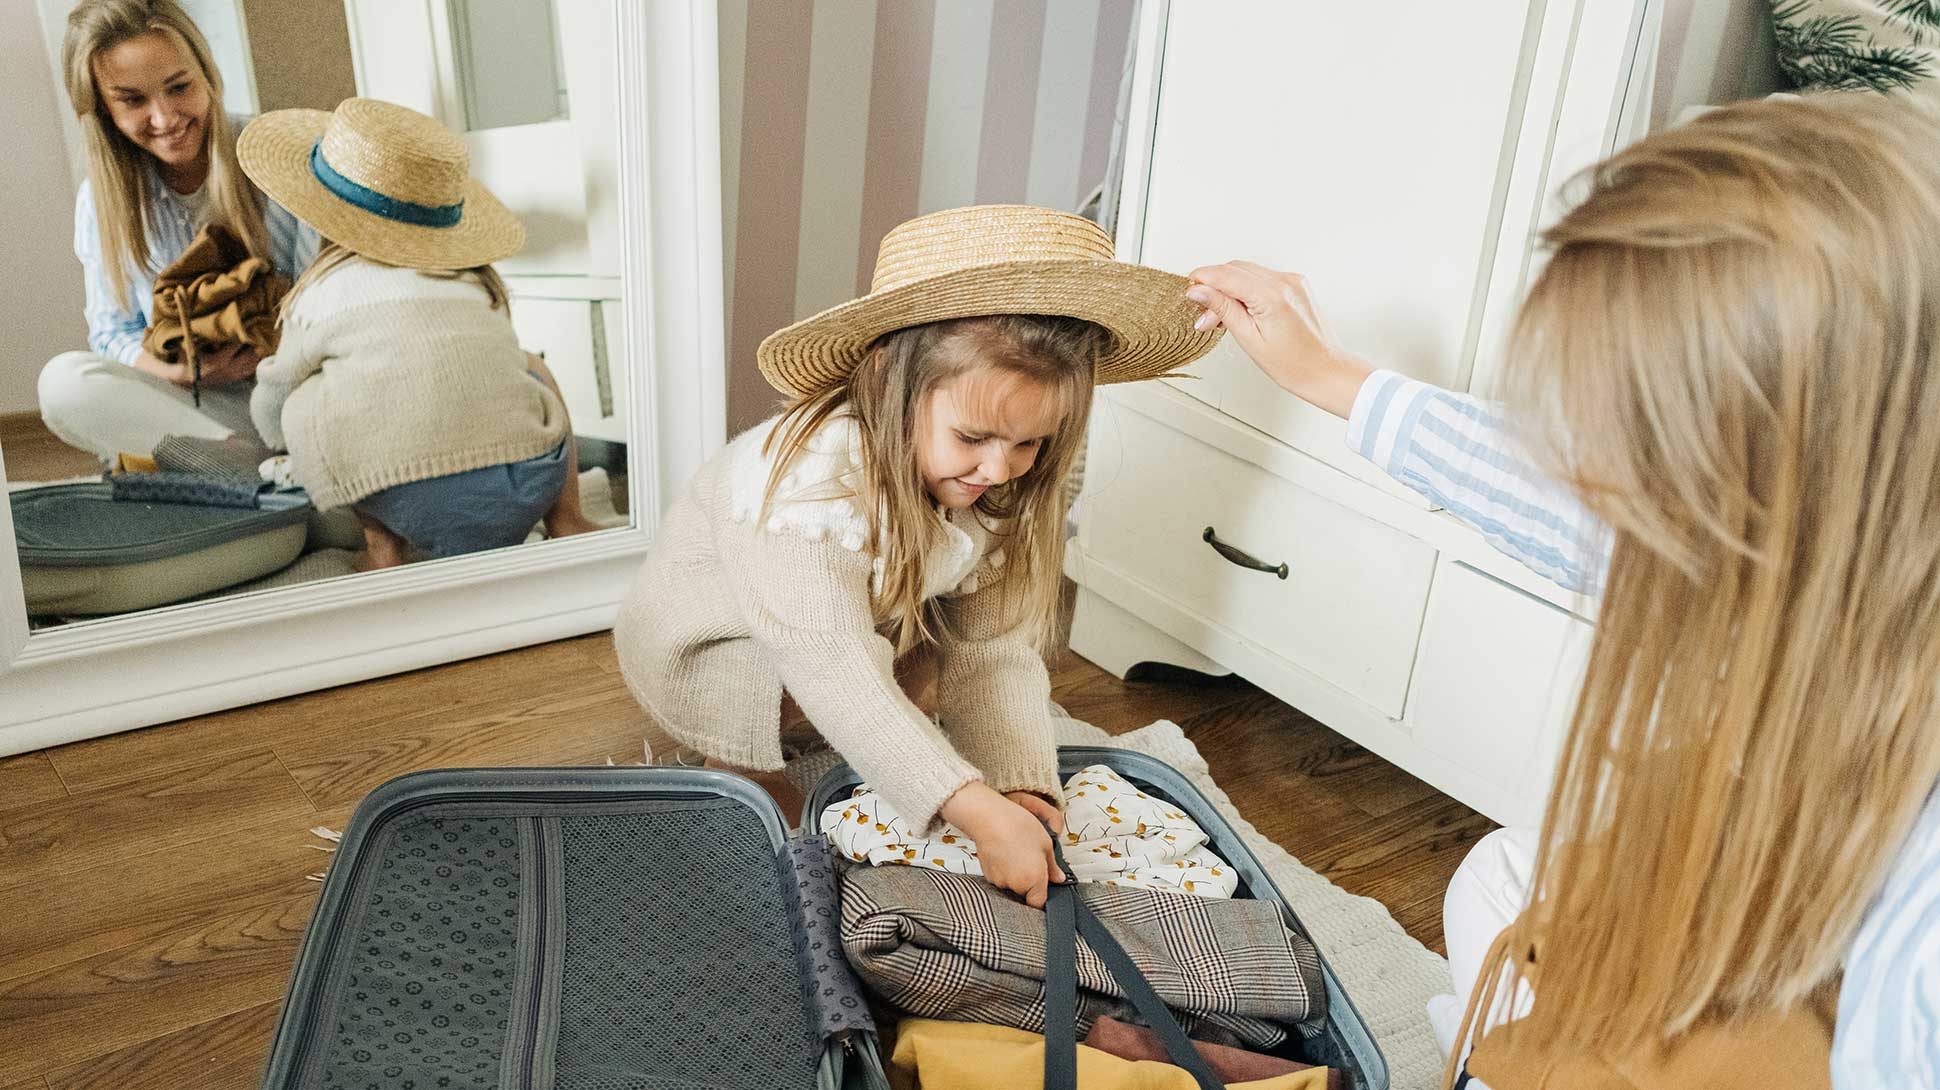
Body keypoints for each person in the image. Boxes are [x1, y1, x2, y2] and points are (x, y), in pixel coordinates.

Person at [1186, 93, 1940, 1088]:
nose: (1598, 481)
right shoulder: (1836, 542)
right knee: (1497, 883)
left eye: (1638, 446)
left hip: (1809, 974)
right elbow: (1564, 502)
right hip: (1787, 899)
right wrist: (1334, 379)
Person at [613, 204, 1222, 908]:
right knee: (800, 737)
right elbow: (830, 659)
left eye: (1029, 443)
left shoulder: (988, 482)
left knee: (944, 662)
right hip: (716, 641)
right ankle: (743, 762)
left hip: (857, 618)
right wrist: (969, 807)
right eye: (973, 438)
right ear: (886, 382)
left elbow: (993, 649)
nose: (999, 468)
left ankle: (893, 748)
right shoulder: (809, 478)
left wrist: (1014, 781)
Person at [236, 98, 600, 568]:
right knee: (530, 365)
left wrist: (273, 436)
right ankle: (567, 518)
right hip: (526, 485)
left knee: (306, 397)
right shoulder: (472, 280)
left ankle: (384, 550)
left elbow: (275, 393)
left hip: (407, 500)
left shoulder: (318, 294)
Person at [42, 0, 317, 464]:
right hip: (198, 404)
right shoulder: (100, 201)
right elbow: (112, 334)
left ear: (206, 75)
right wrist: (186, 374)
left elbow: (322, 304)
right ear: (104, 110)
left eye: (179, 87)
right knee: (63, 384)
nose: (166, 118)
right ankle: (250, 473)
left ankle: (239, 476)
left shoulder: (277, 159)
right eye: (133, 100)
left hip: (294, 392)